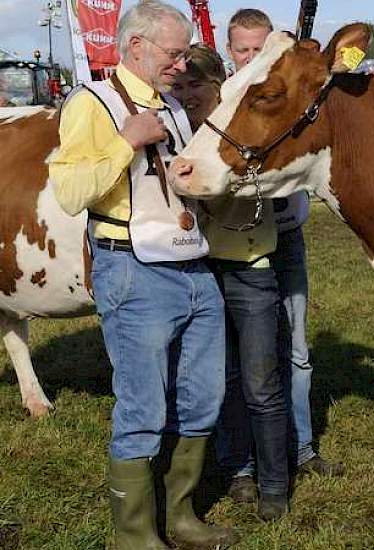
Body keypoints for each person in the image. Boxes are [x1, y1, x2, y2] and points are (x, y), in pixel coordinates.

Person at [48, 2, 235, 548]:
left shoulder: (174, 107)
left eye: (183, 54)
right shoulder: (92, 103)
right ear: (137, 47)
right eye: (174, 53)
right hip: (133, 269)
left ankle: (180, 517)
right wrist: (124, 141)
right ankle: (133, 536)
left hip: (192, 262)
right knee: (142, 405)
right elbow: (70, 192)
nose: (182, 63)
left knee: (202, 397)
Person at [222, 8, 344, 497]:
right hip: (232, 246)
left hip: (286, 235)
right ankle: (242, 464)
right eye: (243, 50)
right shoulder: (226, 101)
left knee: (295, 349)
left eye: (259, 49)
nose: (251, 58)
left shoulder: (285, 95)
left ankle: (302, 447)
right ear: (230, 51)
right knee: (236, 359)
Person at [177, 32, 292, 521]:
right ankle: (238, 470)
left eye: (194, 90)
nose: (186, 99)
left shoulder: (238, 129)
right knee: (221, 380)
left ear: (216, 85)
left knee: (262, 383)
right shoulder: (178, 130)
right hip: (199, 270)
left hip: (250, 268)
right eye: (179, 90)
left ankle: (274, 484)